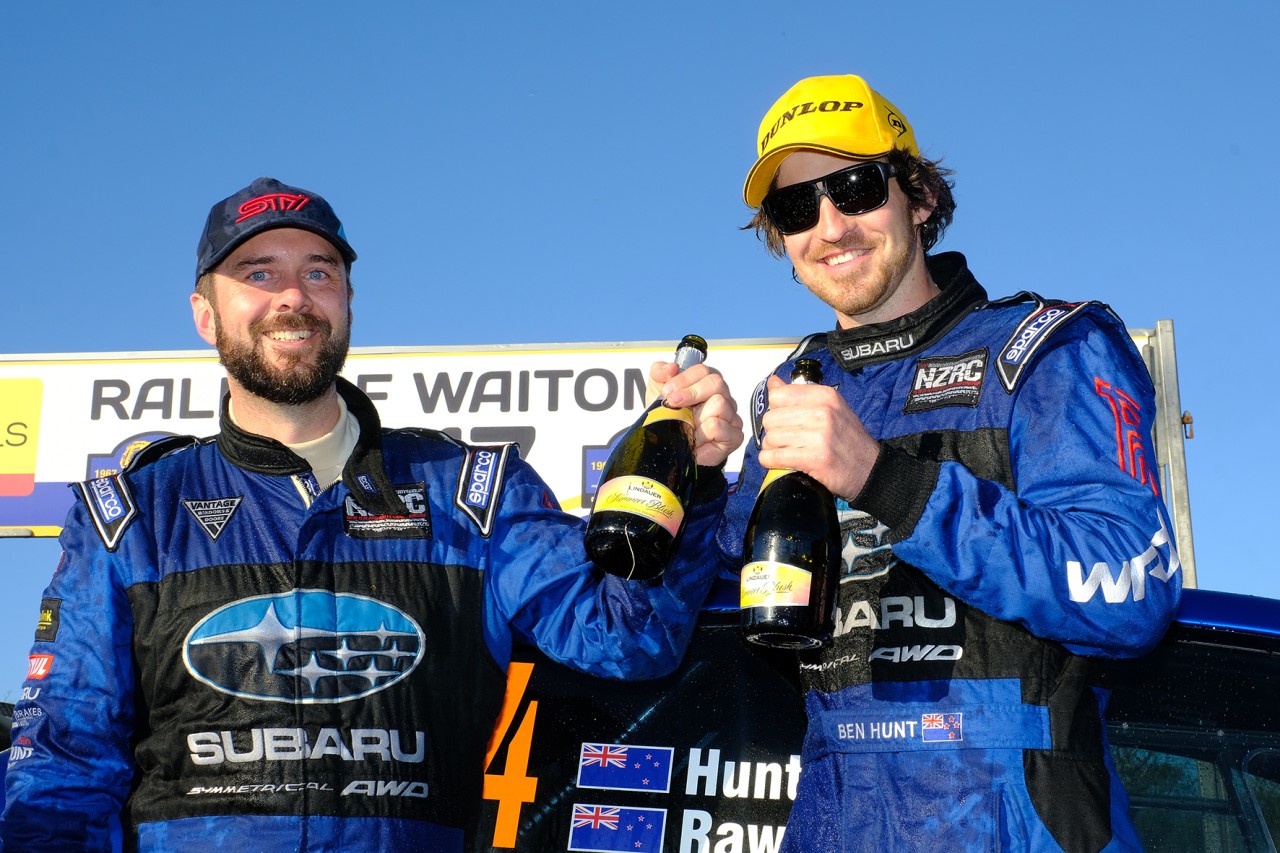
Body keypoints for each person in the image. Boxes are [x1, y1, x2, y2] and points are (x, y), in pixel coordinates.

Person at [0, 177, 743, 851]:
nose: (292, 296)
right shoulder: (128, 514)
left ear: (347, 302)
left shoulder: (471, 492)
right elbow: (63, 764)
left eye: (318, 273)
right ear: (204, 313)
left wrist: (694, 487)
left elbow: (627, 637)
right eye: (258, 274)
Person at [718, 75, 1182, 852]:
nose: (830, 225)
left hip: (1021, 824)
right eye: (797, 207)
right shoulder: (792, 395)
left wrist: (890, 484)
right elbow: (708, 613)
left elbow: (1129, 591)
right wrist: (692, 483)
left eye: (856, 187)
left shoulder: (1043, 352)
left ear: (920, 197)